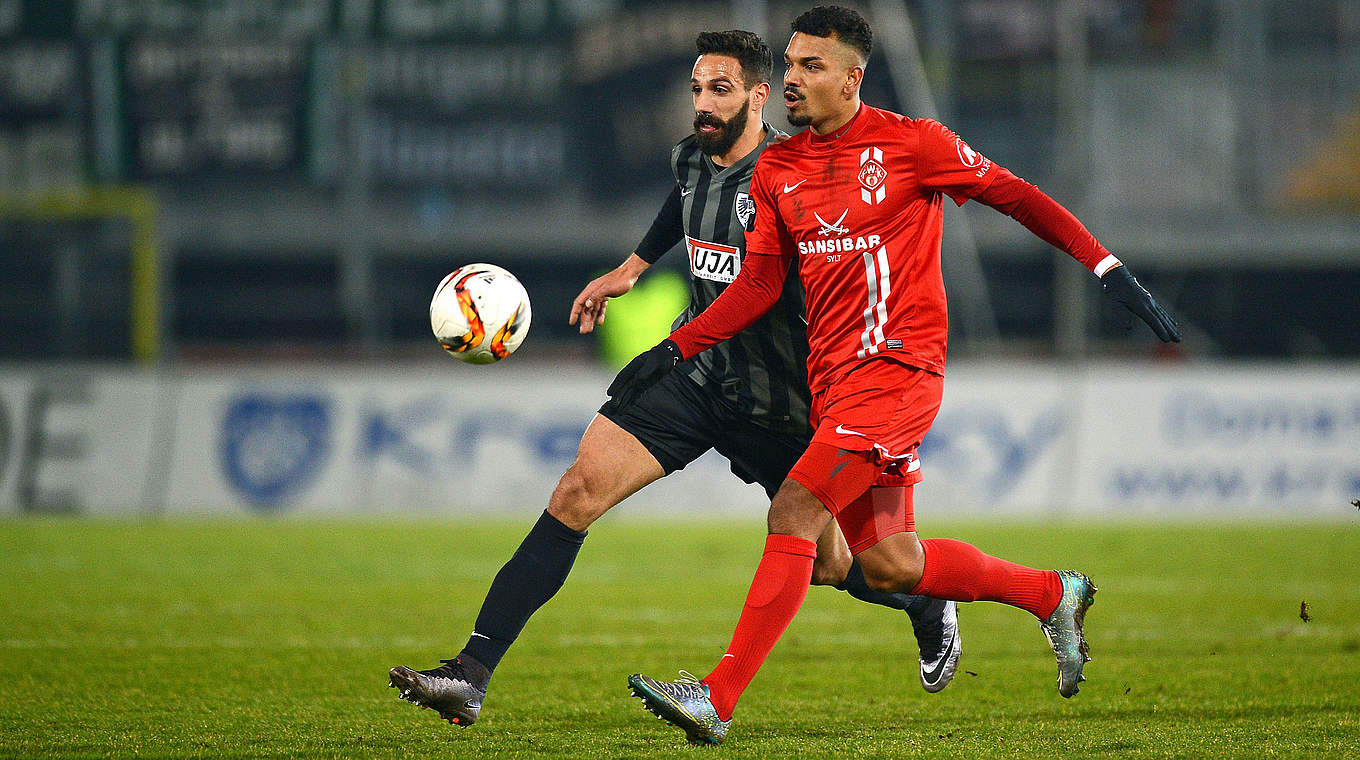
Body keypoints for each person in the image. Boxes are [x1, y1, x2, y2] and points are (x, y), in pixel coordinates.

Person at [620, 6, 1182, 746]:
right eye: (790, 65)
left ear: (853, 78)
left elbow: (1016, 194)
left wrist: (1104, 266)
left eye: (811, 67)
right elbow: (756, 287)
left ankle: (715, 699)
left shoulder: (913, 145)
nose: (792, 79)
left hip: (897, 374)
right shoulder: (779, 168)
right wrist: (675, 348)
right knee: (886, 566)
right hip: (833, 386)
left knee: (793, 512)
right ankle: (1054, 594)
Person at [387, 28, 962, 730]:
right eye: (696, 89)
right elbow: (683, 202)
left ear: (758, 95)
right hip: (699, 381)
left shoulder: (794, 176)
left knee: (837, 566)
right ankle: (468, 675)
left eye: (719, 90)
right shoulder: (692, 157)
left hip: (787, 403)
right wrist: (633, 265)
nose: (701, 104)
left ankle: (926, 602)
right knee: (577, 490)